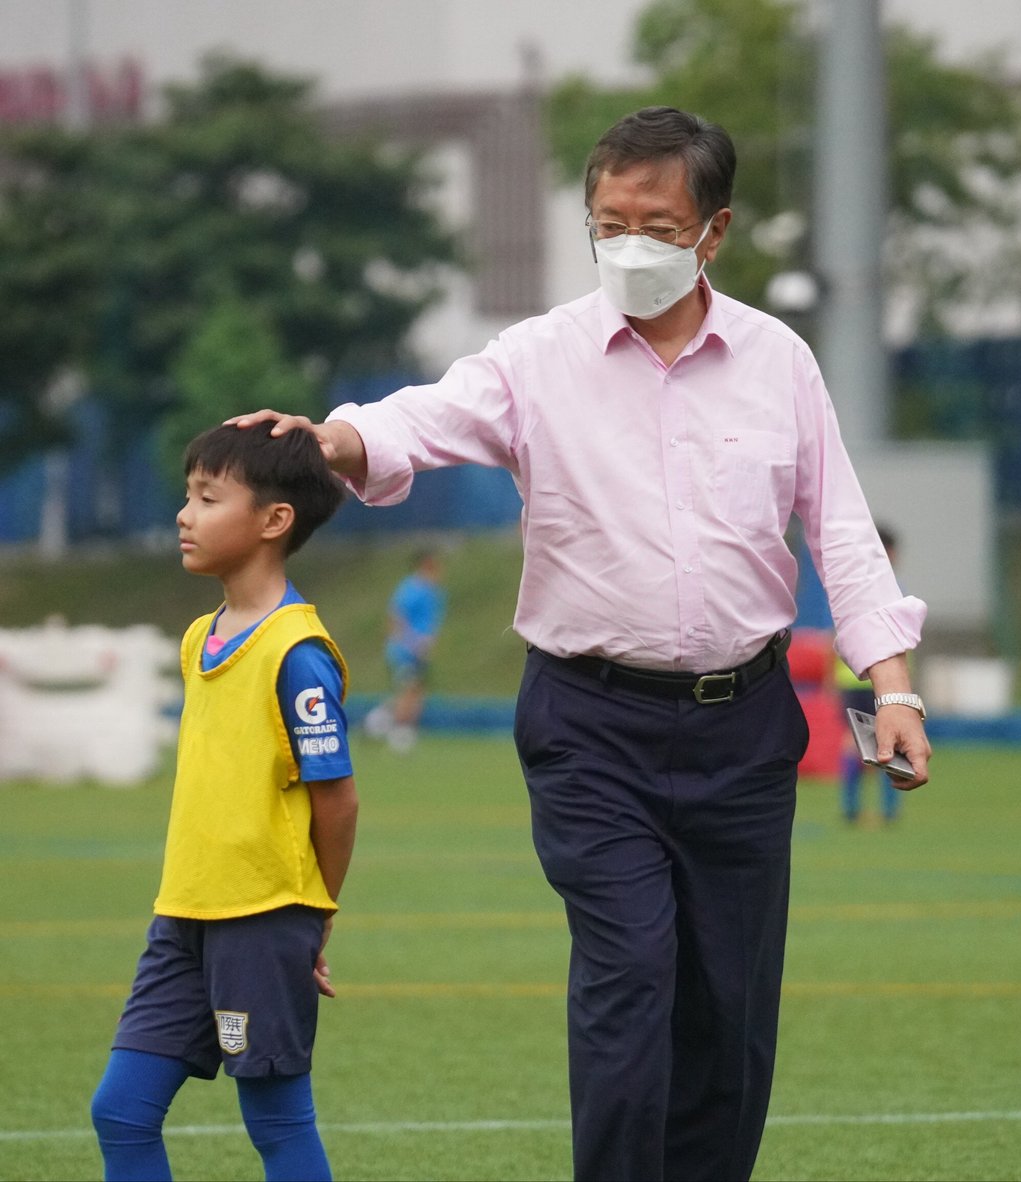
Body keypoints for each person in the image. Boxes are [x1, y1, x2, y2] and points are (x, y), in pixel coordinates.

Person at [229, 106, 932, 1182]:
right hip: (588, 723)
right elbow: (423, 418)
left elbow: (836, 527)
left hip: (741, 728)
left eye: (657, 222)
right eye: (609, 222)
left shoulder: (777, 362)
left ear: (714, 231)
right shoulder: (538, 358)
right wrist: (338, 437)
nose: (630, 244)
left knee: (727, 1008)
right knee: (629, 974)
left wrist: (890, 687)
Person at [91, 422, 357, 1182]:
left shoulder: (296, 656)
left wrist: (314, 916)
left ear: (274, 521)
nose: (185, 514)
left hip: (262, 922)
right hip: (182, 915)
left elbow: (337, 803)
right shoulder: (198, 638)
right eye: (187, 496)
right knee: (121, 1111)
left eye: (208, 498)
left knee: (275, 1122)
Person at [835, 524, 906, 824]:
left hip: (850, 677)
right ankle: (885, 810)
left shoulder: (850, 583)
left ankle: (853, 809)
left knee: (856, 742)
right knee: (890, 740)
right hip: (875, 679)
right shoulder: (882, 588)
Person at [364, 547, 446, 752]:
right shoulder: (410, 589)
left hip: (421, 651)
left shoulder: (435, 592)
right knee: (408, 691)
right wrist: (410, 643)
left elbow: (431, 624)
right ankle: (399, 734)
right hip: (404, 651)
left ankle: (378, 721)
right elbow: (395, 619)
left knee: (416, 692)